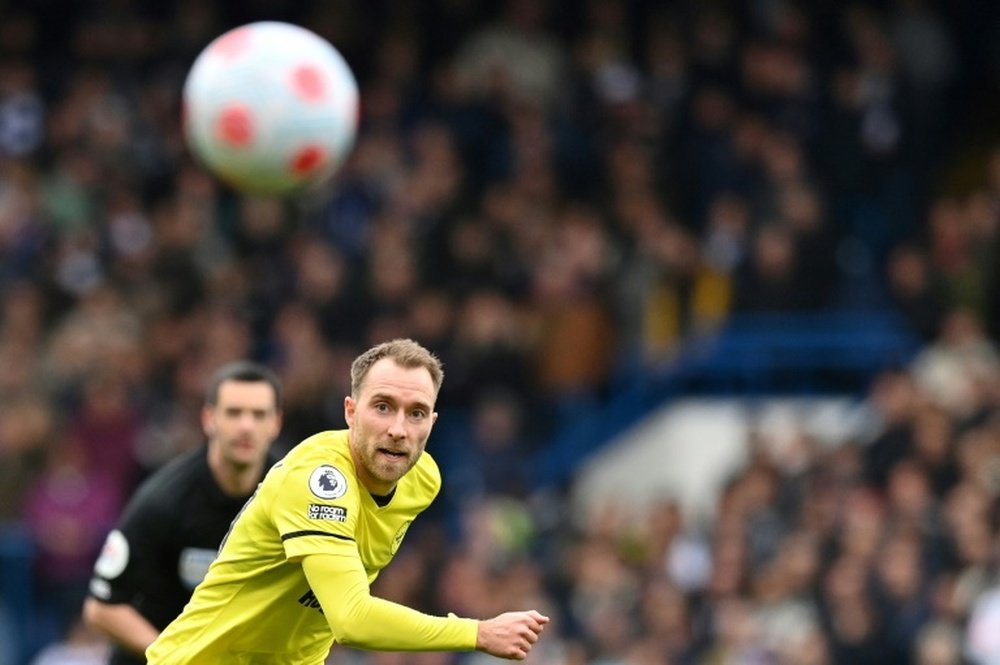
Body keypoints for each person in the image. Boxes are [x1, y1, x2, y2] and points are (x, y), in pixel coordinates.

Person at [146, 338, 549, 663]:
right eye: (383, 407)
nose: (398, 429)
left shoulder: (423, 479)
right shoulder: (320, 480)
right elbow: (352, 619)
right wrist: (477, 633)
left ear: (433, 422)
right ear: (350, 412)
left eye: (416, 413)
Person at [82, 361, 284, 664]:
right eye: (233, 412)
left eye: (258, 414)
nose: (246, 425)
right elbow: (101, 608)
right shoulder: (162, 500)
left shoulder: (293, 494)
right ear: (208, 418)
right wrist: (178, 657)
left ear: (276, 423)